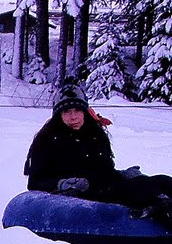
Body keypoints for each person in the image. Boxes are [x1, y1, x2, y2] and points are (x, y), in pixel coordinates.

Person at [24, 84, 172, 223]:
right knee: (147, 188)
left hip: (108, 186)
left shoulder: (94, 134)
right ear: (59, 115)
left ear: (85, 112)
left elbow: (105, 170)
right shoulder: (47, 140)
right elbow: (34, 182)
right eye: (67, 112)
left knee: (164, 182)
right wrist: (62, 184)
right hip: (86, 196)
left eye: (77, 110)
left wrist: (123, 174)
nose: (73, 117)